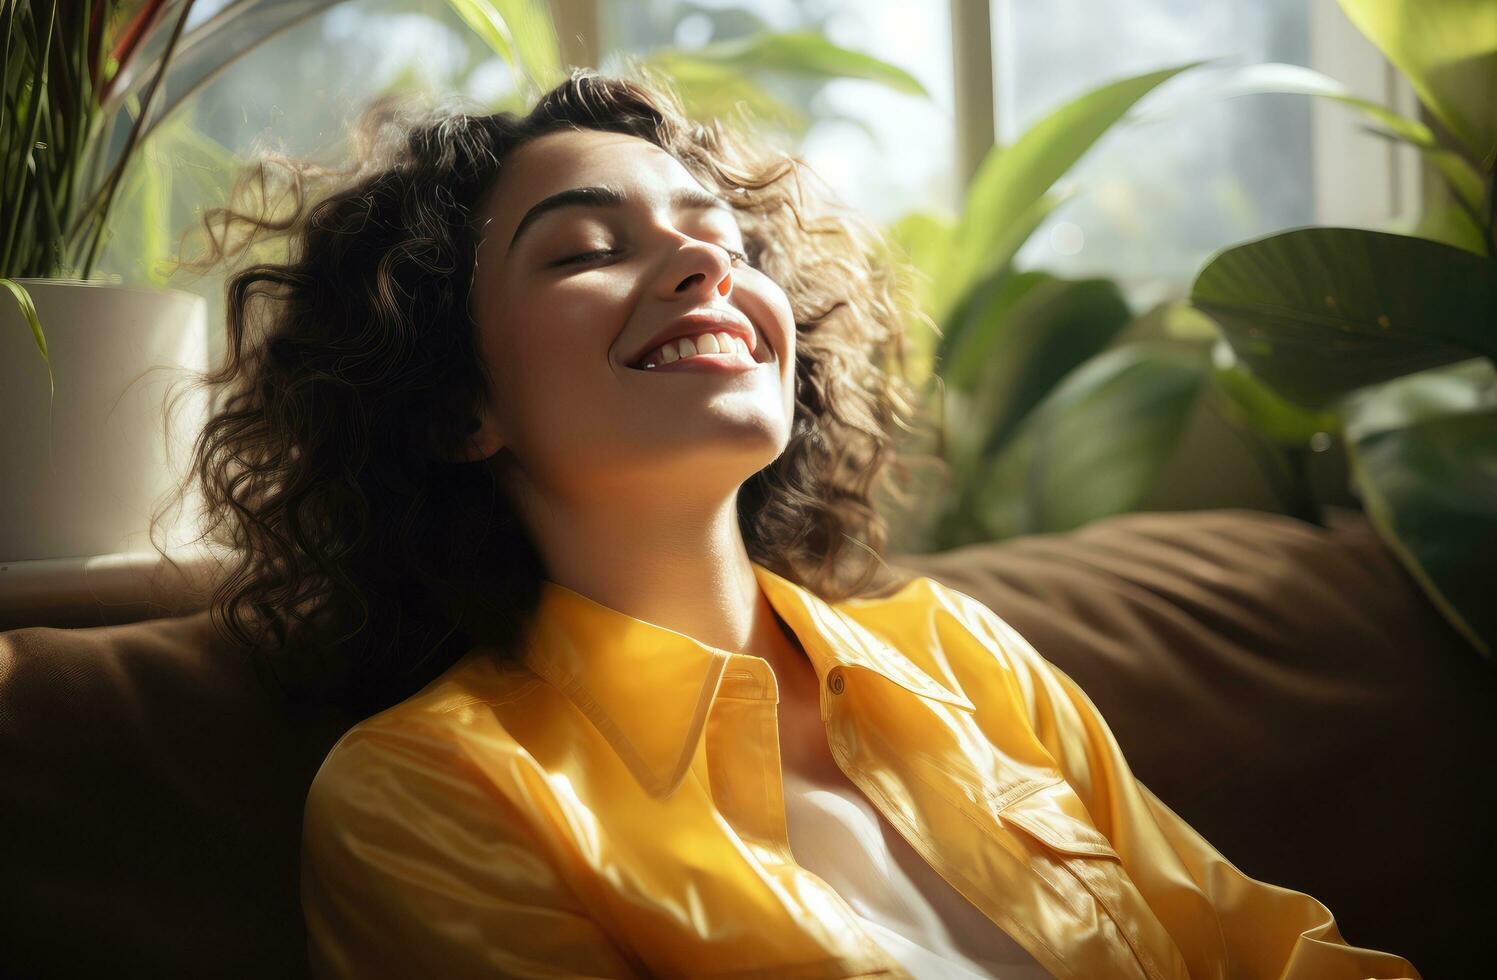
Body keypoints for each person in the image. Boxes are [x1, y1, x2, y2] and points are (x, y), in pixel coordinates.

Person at [172, 67, 1423, 979]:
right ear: (456, 405)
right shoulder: (430, 793)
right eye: (585, 249)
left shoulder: (964, 655)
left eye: (719, 236)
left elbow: (1267, 948)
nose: (701, 264)